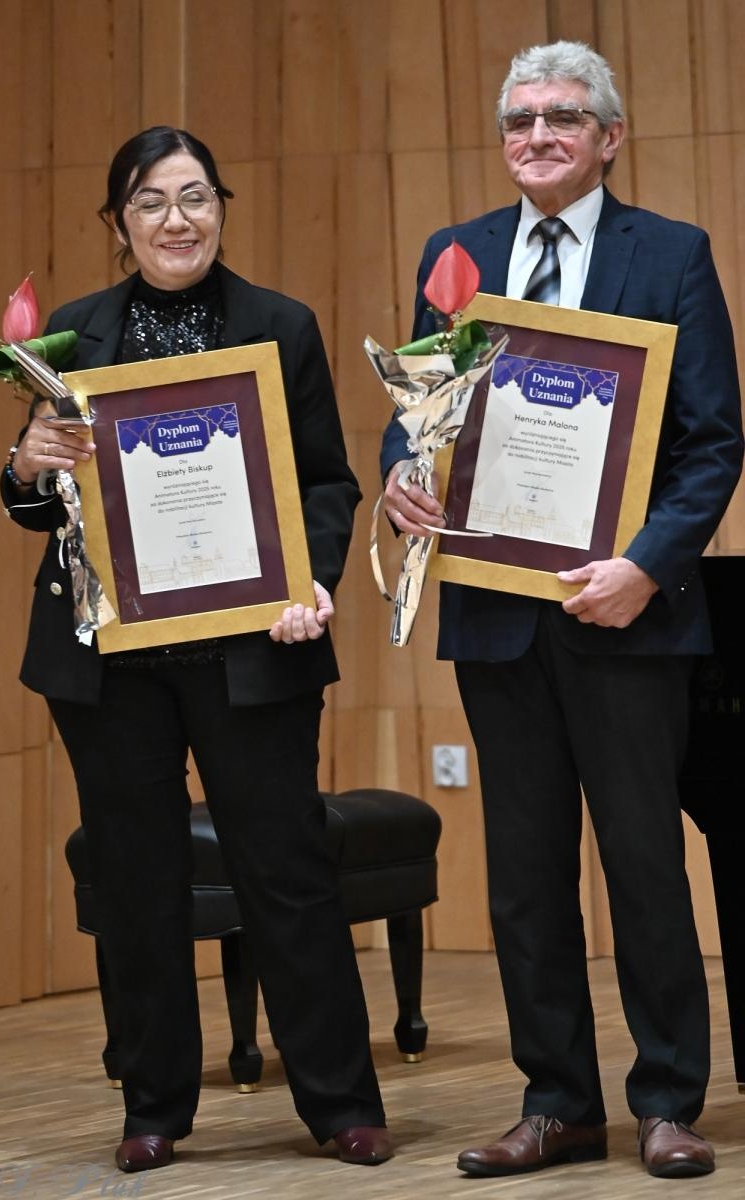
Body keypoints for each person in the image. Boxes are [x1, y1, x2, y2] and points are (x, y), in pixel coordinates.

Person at [381, 41, 743, 1181]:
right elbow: (419, 413)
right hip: (497, 618)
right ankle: (557, 1105)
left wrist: (642, 567)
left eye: (562, 117)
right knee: (525, 878)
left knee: (643, 866)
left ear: (608, 138)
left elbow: (712, 442)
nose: (536, 135)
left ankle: (667, 1103)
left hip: (627, 616)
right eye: (519, 119)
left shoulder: (670, 254)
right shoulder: (458, 256)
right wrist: (401, 479)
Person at [1, 126, 392, 1175]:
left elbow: (326, 482)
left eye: (195, 197)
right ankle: (154, 1107)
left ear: (220, 207)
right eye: (151, 202)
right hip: (110, 664)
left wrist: (312, 580)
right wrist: (29, 463)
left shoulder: (280, 324)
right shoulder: (74, 335)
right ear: (118, 222)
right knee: (137, 884)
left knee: (287, 874)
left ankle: (340, 1103)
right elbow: (36, 506)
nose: (176, 220)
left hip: (250, 650)